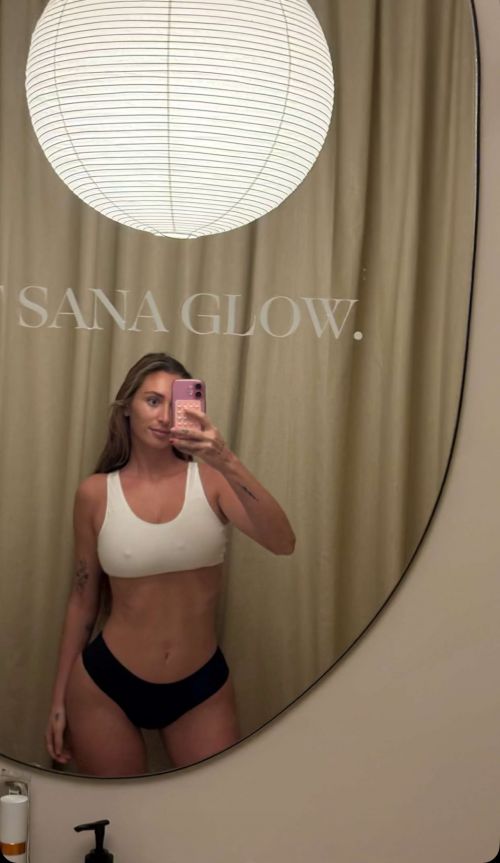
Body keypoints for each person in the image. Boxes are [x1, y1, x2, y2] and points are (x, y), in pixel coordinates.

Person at [45, 352, 295, 776]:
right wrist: (58, 699)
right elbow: (82, 600)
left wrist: (225, 458)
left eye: (176, 403)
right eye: (152, 401)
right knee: (118, 812)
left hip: (200, 687)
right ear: (127, 408)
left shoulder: (212, 481)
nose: (164, 416)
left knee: (215, 805)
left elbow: (283, 542)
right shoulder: (95, 494)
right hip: (105, 685)